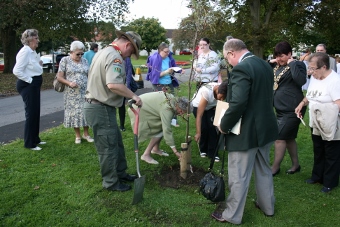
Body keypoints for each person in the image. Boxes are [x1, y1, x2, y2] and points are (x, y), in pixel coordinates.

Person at [211, 39, 278, 224]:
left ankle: (231, 215)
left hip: (247, 131)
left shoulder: (241, 68)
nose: (228, 62)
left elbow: (238, 103)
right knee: (264, 169)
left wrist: (223, 125)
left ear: (232, 53)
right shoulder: (264, 64)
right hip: (266, 127)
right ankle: (268, 206)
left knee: (238, 174)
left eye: (226, 58)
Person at [83, 30, 143, 192]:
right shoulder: (115, 57)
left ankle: (120, 173)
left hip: (101, 106)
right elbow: (113, 84)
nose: (129, 56)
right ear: (128, 45)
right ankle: (111, 182)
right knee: (108, 147)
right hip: (100, 107)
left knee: (116, 142)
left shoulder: (103, 52)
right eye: (131, 52)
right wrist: (134, 97)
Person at [295, 52, 340, 193]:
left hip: (330, 122)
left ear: (324, 67)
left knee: (331, 152)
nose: (310, 72)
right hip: (316, 121)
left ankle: (329, 182)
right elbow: (309, 95)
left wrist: (324, 112)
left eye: (313, 68)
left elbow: (338, 103)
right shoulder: (315, 78)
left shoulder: (335, 81)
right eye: (310, 68)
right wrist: (301, 104)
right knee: (318, 149)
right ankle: (317, 176)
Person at [269, 41, 307, 176]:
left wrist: (292, 63)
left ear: (290, 54)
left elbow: (301, 80)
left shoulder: (298, 65)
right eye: (277, 56)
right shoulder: (276, 66)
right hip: (280, 108)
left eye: (282, 56)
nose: (279, 59)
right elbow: (263, 68)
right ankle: (296, 165)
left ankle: (275, 167)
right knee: (289, 138)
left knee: (279, 137)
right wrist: (273, 61)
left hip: (293, 108)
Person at [127, 92, 191, 165]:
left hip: (141, 104)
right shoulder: (167, 109)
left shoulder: (172, 100)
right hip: (139, 108)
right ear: (178, 106)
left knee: (160, 129)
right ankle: (145, 155)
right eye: (182, 111)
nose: (181, 114)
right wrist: (175, 151)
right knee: (160, 131)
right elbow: (167, 130)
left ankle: (155, 149)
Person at [13, 29, 45, 150]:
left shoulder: (32, 51)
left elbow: (32, 65)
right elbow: (16, 70)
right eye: (36, 38)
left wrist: (39, 63)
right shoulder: (25, 51)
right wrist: (30, 80)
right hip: (27, 85)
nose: (38, 40)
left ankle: (35, 138)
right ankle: (29, 143)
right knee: (31, 113)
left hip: (34, 84)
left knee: (35, 112)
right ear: (30, 39)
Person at [56, 41, 93, 144]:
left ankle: (86, 134)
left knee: (85, 111)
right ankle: (77, 135)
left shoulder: (85, 61)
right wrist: (69, 83)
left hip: (85, 91)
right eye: (78, 54)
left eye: (82, 53)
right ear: (71, 52)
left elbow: (89, 74)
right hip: (71, 93)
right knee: (75, 113)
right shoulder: (65, 60)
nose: (80, 56)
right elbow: (59, 77)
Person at [191, 81, 228, 161]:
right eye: (221, 97)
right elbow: (199, 116)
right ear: (217, 90)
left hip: (211, 107)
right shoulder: (206, 92)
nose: (221, 100)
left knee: (212, 127)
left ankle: (213, 152)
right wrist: (198, 133)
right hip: (198, 107)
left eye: (223, 98)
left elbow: (222, 107)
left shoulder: (223, 89)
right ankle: (203, 149)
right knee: (204, 127)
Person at [118, 57, 136, 132]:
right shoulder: (114, 56)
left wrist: (127, 86)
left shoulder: (127, 58)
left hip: (123, 83)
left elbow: (129, 71)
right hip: (114, 83)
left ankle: (122, 125)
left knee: (121, 105)